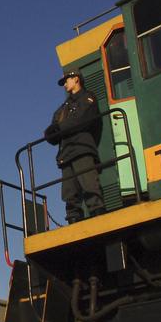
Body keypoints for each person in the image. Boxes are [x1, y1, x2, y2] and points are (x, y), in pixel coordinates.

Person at [44, 69, 104, 224]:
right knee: (69, 193)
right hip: (66, 153)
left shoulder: (88, 98)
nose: (65, 84)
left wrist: (58, 128)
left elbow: (81, 119)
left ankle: (97, 213)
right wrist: (52, 131)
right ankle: (73, 217)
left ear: (76, 79)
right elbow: (53, 130)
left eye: (66, 80)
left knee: (90, 184)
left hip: (82, 149)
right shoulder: (63, 108)